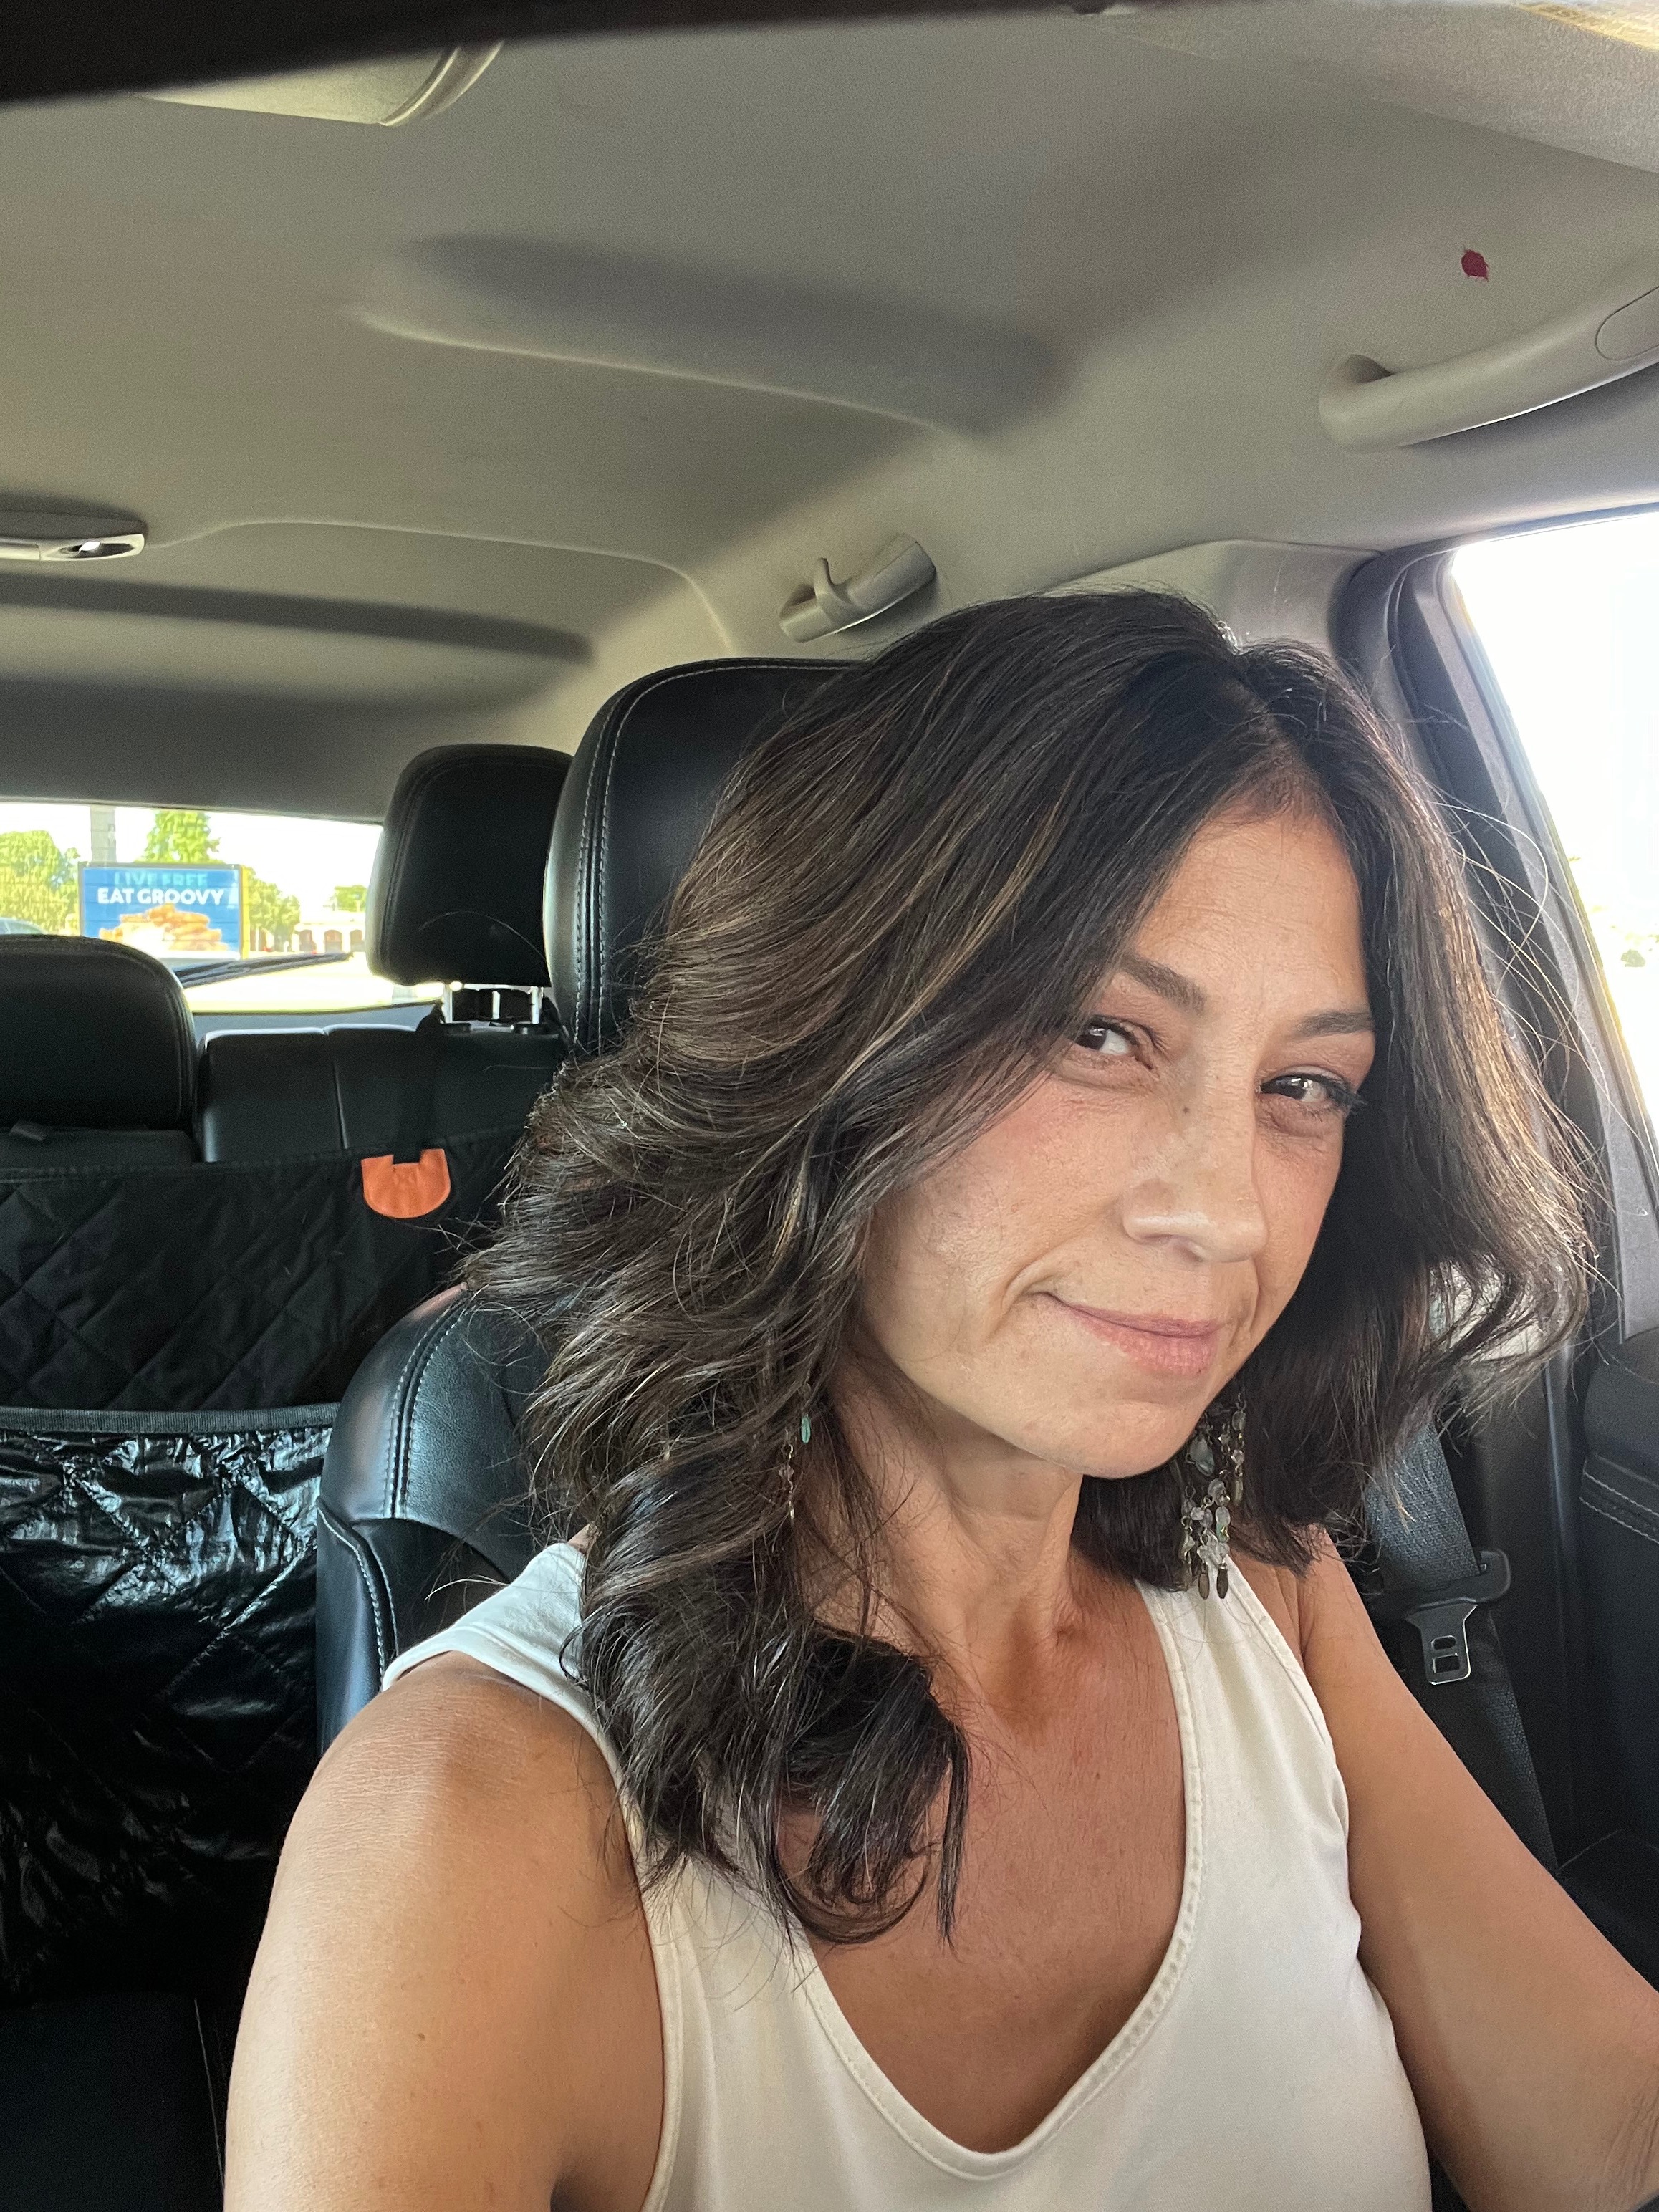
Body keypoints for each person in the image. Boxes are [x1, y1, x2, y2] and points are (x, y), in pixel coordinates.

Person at [227, 592, 1659, 2212]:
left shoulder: (1266, 1583)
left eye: (1303, 1085)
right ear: (832, 1046)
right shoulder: (465, 1828)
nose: (1228, 1212)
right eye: (1100, 1033)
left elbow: (1612, 2127)